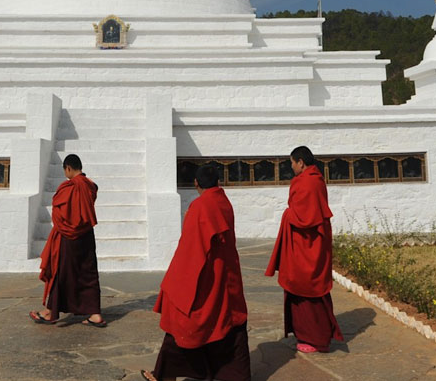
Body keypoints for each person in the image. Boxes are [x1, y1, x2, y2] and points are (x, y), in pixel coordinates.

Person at [142, 165, 250, 381]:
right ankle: (235, 375)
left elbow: (191, 250)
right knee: (228, 321)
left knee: (183, 319)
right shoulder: (224, 202)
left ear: (196, 183)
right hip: (225, 274)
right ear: (218, 182)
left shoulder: (200, 207)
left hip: (206, 275)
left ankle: (163, 375)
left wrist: (175, 282)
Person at [265, 145, 344, 353]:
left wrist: (287, 214)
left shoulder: (309, 182)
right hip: (307, 242)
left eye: (292, 162)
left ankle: (316, 339)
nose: (291, 167)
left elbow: (304, 217)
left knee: (306, 287)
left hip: (307, 245)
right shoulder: (314, 178)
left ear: (301, 162)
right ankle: (310, 335)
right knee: (305, 290)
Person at [30, 153, 106, 327]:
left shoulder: (69, 187)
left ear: (68, 168)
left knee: (60, 273)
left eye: (65, 170)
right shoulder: (90, 186)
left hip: (68, 238)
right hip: (86, 235)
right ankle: (95, 315)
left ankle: (50, 312)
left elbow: (60, 214)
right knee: (89, 274)